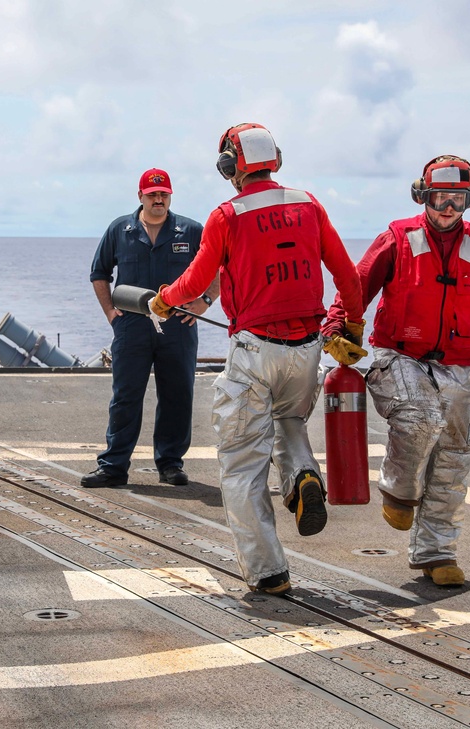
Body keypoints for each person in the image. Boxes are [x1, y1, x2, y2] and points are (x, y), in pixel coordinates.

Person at [150, 124, 365, 595]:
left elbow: (194, 281)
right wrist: (351, 327)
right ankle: (303, 474)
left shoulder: (227, 215)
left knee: (243, 463)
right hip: (307, 349)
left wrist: (164, 300)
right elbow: (349, 279)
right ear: (277, 160)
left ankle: (269, 573)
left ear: (231, 167)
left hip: (254, 350)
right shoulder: (309, 205)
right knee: (290, 420)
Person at [323, 154, 470, 588]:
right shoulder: (398, 237)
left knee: (453, 459)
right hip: (399, 356)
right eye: (440, 197)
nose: (448, 208)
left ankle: (437, 552)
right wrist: (337, 330)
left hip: (458, 364)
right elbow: (357, 286)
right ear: (424, 195)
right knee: (419, 417)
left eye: (457, 199)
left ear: (469, 200)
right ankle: (399, 490)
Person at [83, 168, 218, 489]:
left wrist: (206, 302)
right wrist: (111, 316)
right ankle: (113, 466)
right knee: (125, 396)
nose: (159, 200)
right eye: (152, 194)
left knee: (177, 395)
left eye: (164, 195)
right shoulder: (120, 230)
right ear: (140, 196)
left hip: (178, 327)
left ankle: (170, 464)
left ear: (170, 196)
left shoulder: (191, 230)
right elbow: (99, 273)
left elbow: (219, 267)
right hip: (131, 327)